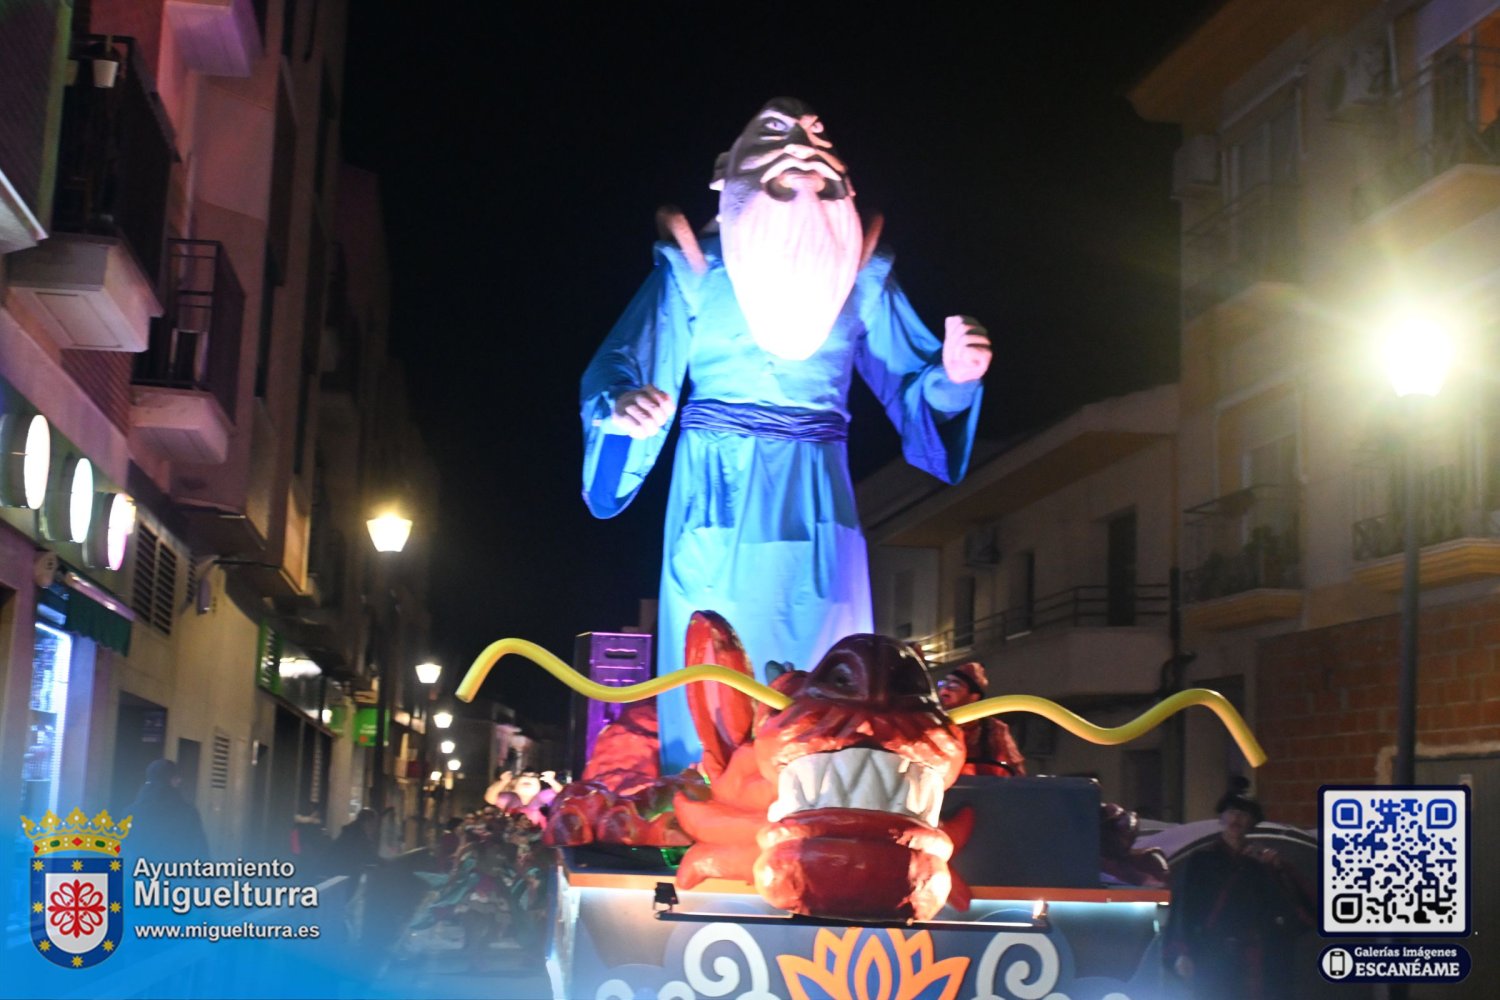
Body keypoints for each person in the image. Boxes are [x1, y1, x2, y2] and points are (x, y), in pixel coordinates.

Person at [582, 97, 991, 772]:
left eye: (815, 135)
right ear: (726, 174)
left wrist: (956, 377)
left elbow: (916, 386)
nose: (801, 143)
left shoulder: (860, 278)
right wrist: (622, 408)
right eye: (775, 133)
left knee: (829, 654)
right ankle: (704, 793)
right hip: (718, 485)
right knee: (713, 655)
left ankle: (828, 790)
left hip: (817, 483)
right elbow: (623, 363)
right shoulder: (695, 270)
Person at [1163, 779, 1315, 999]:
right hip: (1211, 953)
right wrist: (1182, 952)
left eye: (1243, 814)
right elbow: (1184, 908)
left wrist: (1278, 870)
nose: (1236, 819)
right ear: (1222, 818)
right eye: (1232, 812)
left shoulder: (1260, 863)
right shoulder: (1202, 860)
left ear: (1251, 821)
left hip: (1252, 961)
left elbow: (1290, 910)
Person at [935, 662, 1025, 776]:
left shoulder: (993, 730)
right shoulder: (932, 724)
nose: (945, 689)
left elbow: (1014, 773)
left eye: (954, 685)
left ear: (974, 696)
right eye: (943, 683)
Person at [125, 758, 209, 862]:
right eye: (176, 777)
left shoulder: (131, 812)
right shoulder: (187, 813)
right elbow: (200, 850)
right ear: (171, 780)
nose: (180, 780)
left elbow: (125, 849)